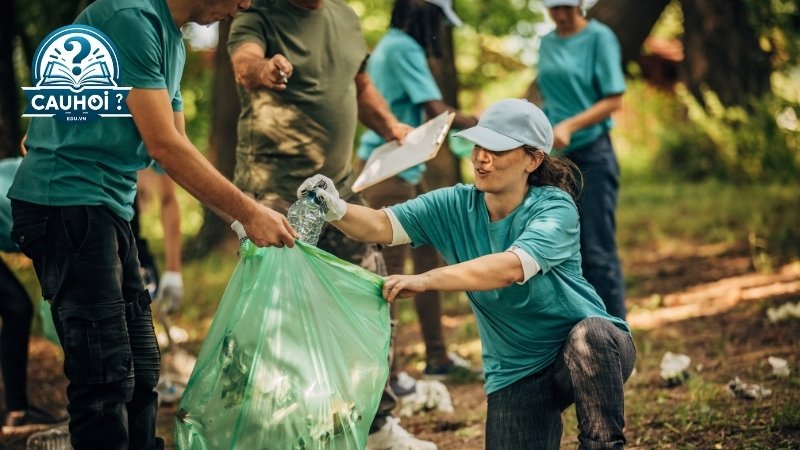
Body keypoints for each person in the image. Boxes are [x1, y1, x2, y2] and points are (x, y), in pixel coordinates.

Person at [8, 0, 296, 448]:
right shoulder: (130, 18)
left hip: (107, 207)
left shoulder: (172, 39)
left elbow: (178, 146)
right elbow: (162, 144)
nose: (244, 5)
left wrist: (242, 222)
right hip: (66, 202)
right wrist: (249, 212)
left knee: (142, 369)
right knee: (104, 379)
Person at [298, 98, 636, 449]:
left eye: (498, 149)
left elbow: (509, 267)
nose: (481, 158)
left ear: (532, 160)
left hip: (586, 351)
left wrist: (427, 279)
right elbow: (380, 225)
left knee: (591, 336)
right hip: (516, 372)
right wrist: (334, 208)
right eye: (478, 145)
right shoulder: (454, 204)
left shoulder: (555, 207)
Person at [227, 1, 436, 449]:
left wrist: (394, 128)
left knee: (374, 295)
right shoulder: (259, 14)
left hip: (338, 190)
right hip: (275, 195)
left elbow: (359, 86)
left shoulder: (345, 17)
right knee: (277, 316)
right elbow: (244, 65)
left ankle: (377, 426)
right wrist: (267, 69)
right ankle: (273, 430)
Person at [357, 0, 479, 380]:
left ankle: (438, 358)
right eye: (439, 19)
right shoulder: (402, 48)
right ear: (424, 12)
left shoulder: (390, 45)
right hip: (389, 173)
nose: (440, 29)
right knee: (389, 275)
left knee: (428, 260)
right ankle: (388, 378)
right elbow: (435, 110)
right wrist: (487, 123)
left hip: (406, 169)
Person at [530, 0, 627, 319]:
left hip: (593, 153)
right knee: (564, 252)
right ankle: (582, 333)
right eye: (553, 8)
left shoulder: (600, 38)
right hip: (556, 157)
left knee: (596, 251)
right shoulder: (546, 43)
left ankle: (615, 336)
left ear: (580, 5)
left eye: (566, 8)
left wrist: (571, 125)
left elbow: (613, 99)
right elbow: (543, 95)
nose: (559, 15)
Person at [0, 156, 67, 434]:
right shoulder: (56, 187)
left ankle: (17, 411)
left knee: (17, 308)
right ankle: (17, 412)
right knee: (16, 307)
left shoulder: (33, 168)